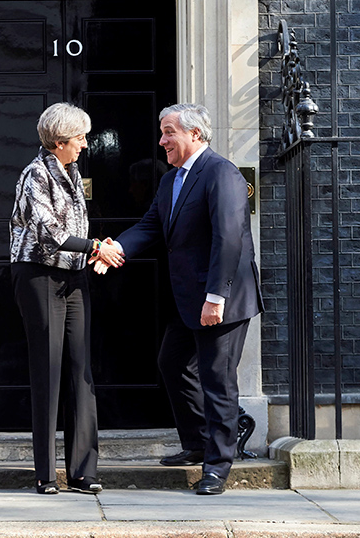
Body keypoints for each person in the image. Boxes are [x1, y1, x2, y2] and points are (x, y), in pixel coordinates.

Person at [98, 103, 262, 496]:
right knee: (172, 364)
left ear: (195, 134)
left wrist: (215, 297)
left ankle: (219, 465)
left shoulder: (221, 173)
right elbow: (150, 226)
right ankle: (196, 443)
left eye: (169, 132)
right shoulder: (172, 180)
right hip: (191, 299)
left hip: (220, 298)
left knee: (217, 381)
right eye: (162, 131)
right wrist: (113, 249)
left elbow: (229, 238)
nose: (162, 140)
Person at [10, 102, 123, 495]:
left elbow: (75, 230)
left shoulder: (72, 172)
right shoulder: (35, 174)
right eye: (79, 138)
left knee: (81, 369)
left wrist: (96, 248)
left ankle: (83, 471)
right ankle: (45, 474)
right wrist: (96, 246)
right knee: (48, 368)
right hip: (39, 275)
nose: (85, 145)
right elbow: (50, 232)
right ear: (59, 141)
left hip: (73, 276)